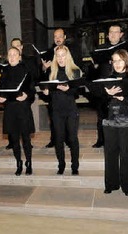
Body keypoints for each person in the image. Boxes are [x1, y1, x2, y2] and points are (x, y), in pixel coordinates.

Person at [102, 49, 128, 195]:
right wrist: (106, 95)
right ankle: (111, 184)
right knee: (110, 153)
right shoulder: (107, 78)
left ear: (126, 61)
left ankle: (127, 186)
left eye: (120, 60)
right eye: (114, 61)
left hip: (127, 119)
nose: (117, 64)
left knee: (126, 154)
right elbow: (97, 101)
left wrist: (124, 98)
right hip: (109, 119)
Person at [88, 24, 128, 148]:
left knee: (119, 115)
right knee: (101, 116)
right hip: (104, 85)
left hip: (120, 84)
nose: (112, 34)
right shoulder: (101, 49)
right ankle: (101, 140)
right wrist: (94, 66)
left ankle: (117, 140)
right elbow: (93, 73)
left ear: (121, 34)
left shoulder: (125, 49)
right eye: (110, 32)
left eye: (116, 32)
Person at [42, 45, 82, 175]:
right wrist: (46, 91)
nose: (60, 58)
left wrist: (68, 89)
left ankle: (75, 166)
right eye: (58, 56)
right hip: (56, 110)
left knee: (72, 138)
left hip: (70, 109)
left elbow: (77, 91)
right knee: (58, 139)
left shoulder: (75, 71)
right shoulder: (51, 72)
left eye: (63, 55)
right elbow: (47, 91)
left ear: (67, 56)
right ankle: (61, 164)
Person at [0, 47, 36, 176]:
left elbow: (32, 90)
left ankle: (29, 162)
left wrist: (26, 96)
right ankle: (18, 163)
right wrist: (0, 98)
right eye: (10, 55)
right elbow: (1, 90)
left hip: (23, 108)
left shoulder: (26, 70)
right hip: (10, 110)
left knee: (26, 139)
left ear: (19, 57)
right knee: (14, 139)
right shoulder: (4, 71)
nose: (12, 57)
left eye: (15, 54)